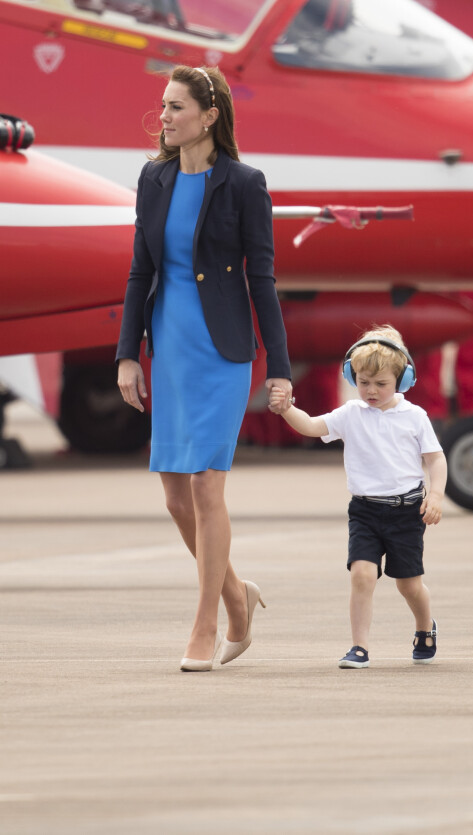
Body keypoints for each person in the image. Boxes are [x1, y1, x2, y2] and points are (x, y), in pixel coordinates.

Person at [116, 65, 293, 672]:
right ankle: (238, 594)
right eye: (163, 107)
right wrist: (126, 355)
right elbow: (140, 270)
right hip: (168, 348)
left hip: (221, 352)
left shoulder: (245, 182)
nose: (163, 117)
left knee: (204, 485)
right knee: (173, 495)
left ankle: (206, 623)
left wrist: (281, 369)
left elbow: (262, 279)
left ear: (209, 116)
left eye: (176, 107)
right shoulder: (153, 177)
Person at [269, 325, 447, 668]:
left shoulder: (415, 417)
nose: (371, 390)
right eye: (364, 382)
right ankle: (359, 646)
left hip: (406, 511)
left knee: (409, 585)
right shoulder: (349, 414)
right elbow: (311, 426)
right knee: (362, 574)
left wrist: (436, 495)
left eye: (381, 383)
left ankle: (425, 626)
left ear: (402, 378)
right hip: (364, 511)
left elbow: (435, 459)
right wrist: (286, 408)